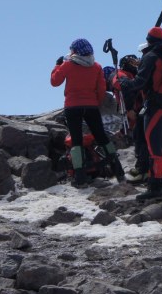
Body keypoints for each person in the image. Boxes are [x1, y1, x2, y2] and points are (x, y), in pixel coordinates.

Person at [51, 38, 125, 187]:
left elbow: (55, 81)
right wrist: (95, 103)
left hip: (72, 107)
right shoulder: (96, 67)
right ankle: (119, 172)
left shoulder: (67, 65)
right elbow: (101, 89)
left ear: (75, 51)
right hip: (91, 106)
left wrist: (57, 65)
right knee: (102, 137)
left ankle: (80, 177)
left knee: (76, 141)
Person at [126, 27, 162, 201]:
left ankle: (155, 187)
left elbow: (139, 82)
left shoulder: (150, 57)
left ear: (148, 40)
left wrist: (124, 83)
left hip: (155, 107)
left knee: (154, 147)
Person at [113, 54, 151, 181]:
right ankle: (146, 169)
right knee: (143, 140)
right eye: (132, 62)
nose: (135, 64)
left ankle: (142, 170)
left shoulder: (122, 75)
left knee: (141, 140)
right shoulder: (132, 75)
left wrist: (129, 109)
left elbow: (125, 88)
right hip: (144, 110)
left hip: (140, 111)